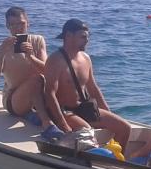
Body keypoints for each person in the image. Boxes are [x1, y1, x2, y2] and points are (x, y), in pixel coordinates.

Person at [43, 18, 131, 148]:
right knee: (87, 133)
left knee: (125, 128)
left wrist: (108, 112)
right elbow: (50, 94)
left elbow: (93, 88)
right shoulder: (55, 60)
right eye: (83, 37)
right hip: (64, 112)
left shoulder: (86, 58)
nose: (87, 40)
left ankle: (112, 158)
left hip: (84, 108)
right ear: (68, 36)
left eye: (88, 37)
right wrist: (63, 124)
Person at [0, 6, 51, 126]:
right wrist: (1, 53)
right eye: (13, 25)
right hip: (14, 100)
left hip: (39, 95)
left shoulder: (37, 41)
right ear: (7, 26)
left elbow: (47, 71)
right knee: (36, 80)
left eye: (21, 24)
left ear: (28, 23)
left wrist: (30, 56)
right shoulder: (1, 49)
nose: (18, 28)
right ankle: (46, 123)